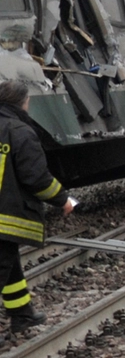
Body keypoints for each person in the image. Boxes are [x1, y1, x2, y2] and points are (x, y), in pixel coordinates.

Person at [0, 81, 73, 332]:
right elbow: (37, 178)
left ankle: (22, 313)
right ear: (22, 102)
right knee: (2, 262)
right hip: (4, 217)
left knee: (8, 264)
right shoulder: (19, 131)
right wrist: (62, 199)